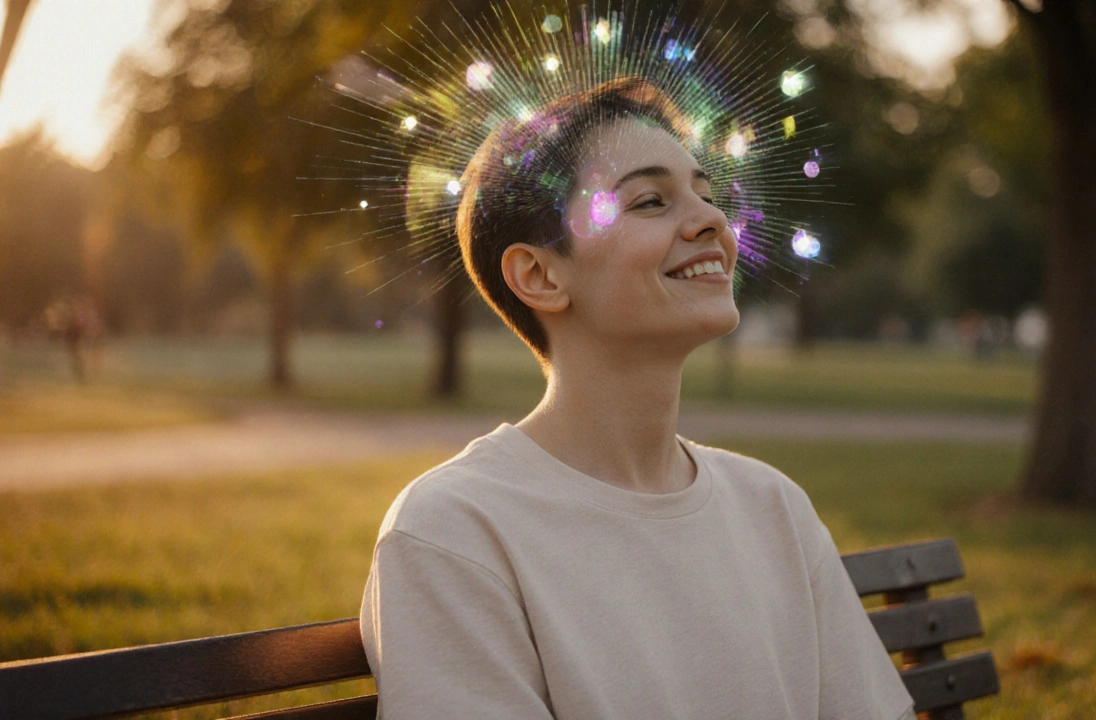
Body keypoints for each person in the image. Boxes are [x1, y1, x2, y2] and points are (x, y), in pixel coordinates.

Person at [360, 77, 914, 719]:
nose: (713, 221)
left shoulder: (774, 508)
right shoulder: (454, 529)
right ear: (540, 275)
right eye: (651, 202)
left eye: (707, 196)